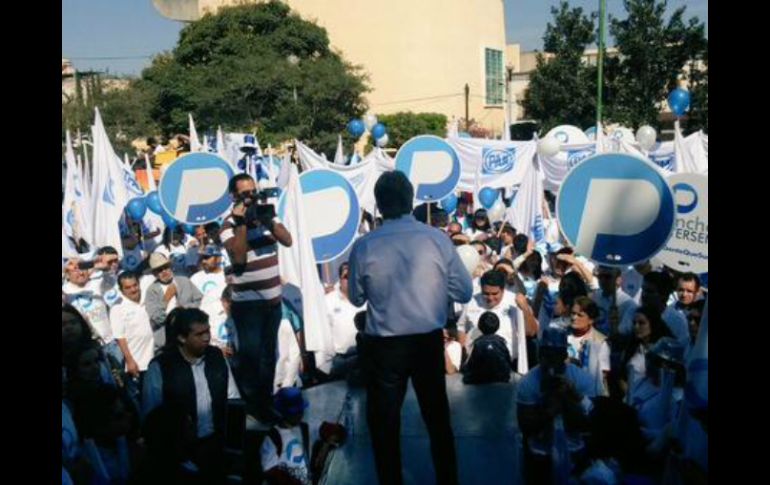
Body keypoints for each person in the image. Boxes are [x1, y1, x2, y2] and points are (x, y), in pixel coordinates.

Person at [347, 171, 473, 485]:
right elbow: (465, 292)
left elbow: (355, 298)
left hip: (385, 348)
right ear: (410, 200)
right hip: (426, 343)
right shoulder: (436, 239)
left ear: (378, 205)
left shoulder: (365, 246)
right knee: (437, 419)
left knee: (385, 425)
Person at [220, 173, 292, 425]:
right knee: (251, 360)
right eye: (245, 194)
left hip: (272, 303)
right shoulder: (228, 225)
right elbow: (238, 259)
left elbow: (287, 240)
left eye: (253, 192)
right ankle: (254, 408)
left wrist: (268, 220)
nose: (251, 197)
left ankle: (266, 404)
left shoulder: (266, 214)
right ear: (234, 197)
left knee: (268, 357)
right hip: (248, 306)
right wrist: (241, 223)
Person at [142, 308, 241, 484]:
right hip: (180, 454)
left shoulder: (216, 357)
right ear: (182, 337)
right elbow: (152, 414)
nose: (206, 338)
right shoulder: (161, 367)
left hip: (215, 447)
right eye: (199, 334)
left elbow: (232, 399)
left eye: (208, 331)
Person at [517, 327, 596, 485]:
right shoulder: (528, 383)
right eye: (546, 355)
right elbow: (525, 425)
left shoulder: (583, 379)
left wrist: (568, 399)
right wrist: (549, 411)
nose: (550, 361)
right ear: (540, 355)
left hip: (575, 447)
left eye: (555, 355)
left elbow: (591, 422)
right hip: (540, 451)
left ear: (564, 356)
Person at [458, 270, 538, 374]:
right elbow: (461, 327)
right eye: (486, 293)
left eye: (495, 293)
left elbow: (532, 332)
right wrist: (463, 357)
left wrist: (525, 308)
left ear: (503, 289)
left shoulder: (514, 301)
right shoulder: (471, 301)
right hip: (476, 365)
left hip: (507, 365)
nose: (490, 298)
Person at [63, 258, 122, 365]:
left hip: (111, 342)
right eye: (75, 269)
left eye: (82, 268)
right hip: (88, 348)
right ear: (67, 274)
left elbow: (112, 279)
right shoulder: (65, 292)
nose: (80, 272)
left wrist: (103, 267)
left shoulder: (98, 283)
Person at [110, 272, 155, 400]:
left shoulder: (147, 301)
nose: (133, 289)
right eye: (128, 287)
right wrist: (130, 361)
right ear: (121, 290)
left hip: (154, 358)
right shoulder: (117, 309)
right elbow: (120, 337)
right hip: (138, 363)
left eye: (135, 285)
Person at [145, 253, 202, 349]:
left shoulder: (184, 281)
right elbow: (156, 318)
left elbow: (200, 301)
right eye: (159, 270)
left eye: (166, 267)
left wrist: (186, 309)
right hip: (167, 340)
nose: (164, 271)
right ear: (154, 274)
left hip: (190, 336)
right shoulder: (151, 291)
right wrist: (166, 299)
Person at [619, 306, 673, 403]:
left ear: (653, 324)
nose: (636, 327)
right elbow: (622, 376)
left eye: (641, 323)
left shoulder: (664, 351)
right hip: (631, 400)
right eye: (634, 323)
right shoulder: (632, 347)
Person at [260, 387, 312, 485]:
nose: (299, 414)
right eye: (295, 412)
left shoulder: (304, 429)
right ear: (284, 413)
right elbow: (269, 469)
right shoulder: (273, 436)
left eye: (300, 411)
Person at [568, 296, 610, 397]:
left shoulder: (600, 342)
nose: (574, 318)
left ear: (591, 320)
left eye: (580, 315)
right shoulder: (562, 335)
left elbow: (602, 375)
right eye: (573, 313)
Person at [190, 245, 228, 349]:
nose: (204, 261)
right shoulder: (195, 278)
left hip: (223, 324)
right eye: (202, 258)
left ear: (219, 258)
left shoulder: (227, 276)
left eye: (207, 258)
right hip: (203, 326)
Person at [640, 272, 689, 346]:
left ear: (663, 295)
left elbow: (682, 349)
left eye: (650, 292)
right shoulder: (634, 313)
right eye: (643, 290)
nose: (644, 295)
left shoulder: (678, 321)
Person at [462, 311, 512, 384]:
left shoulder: (477, 343)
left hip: (481, 377)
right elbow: (507, 358)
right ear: (498, 326)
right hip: (500, 376)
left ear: (479, 326)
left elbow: (472, 361)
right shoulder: (501, 342)